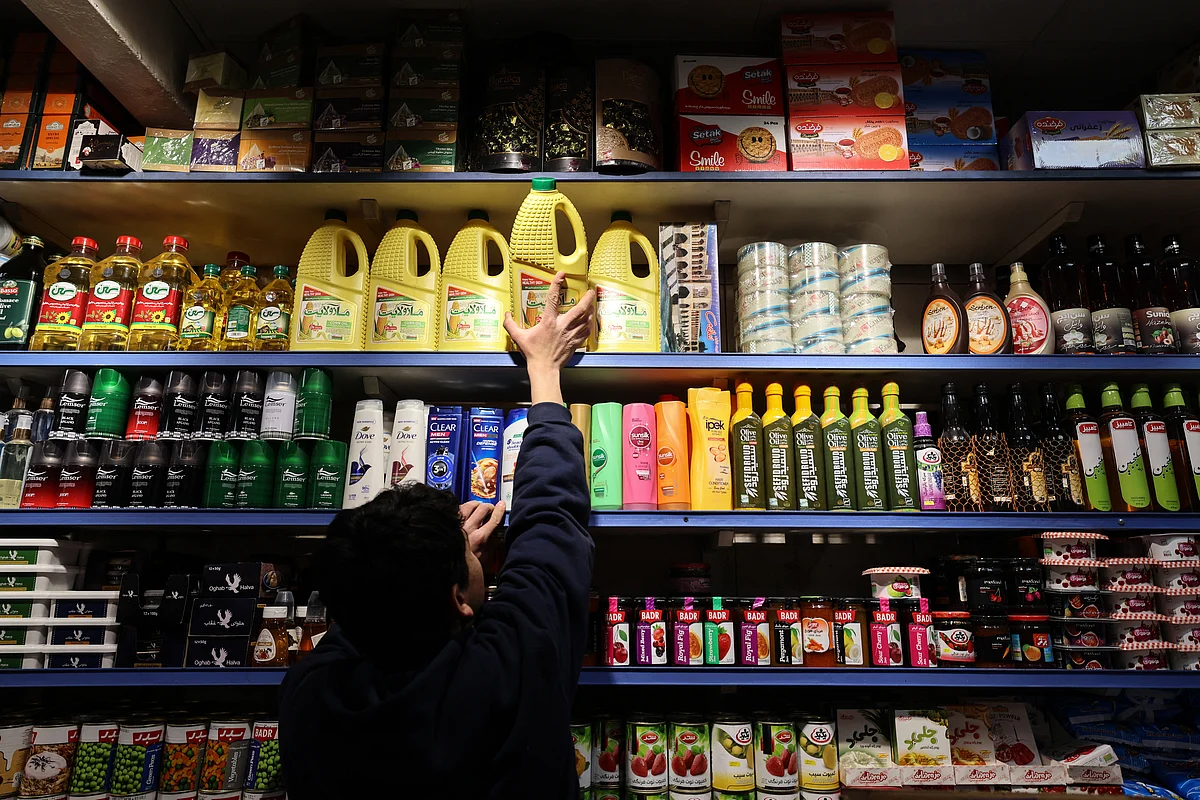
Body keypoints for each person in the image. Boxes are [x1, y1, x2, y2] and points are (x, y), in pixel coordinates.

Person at [279, 272, 596, 800]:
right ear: (458, 600)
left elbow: (364, 605)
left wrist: (435, 558)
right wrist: (544, 371)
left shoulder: (309, 699)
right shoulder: (506, 672)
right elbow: (552, 520)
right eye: (464, 557)